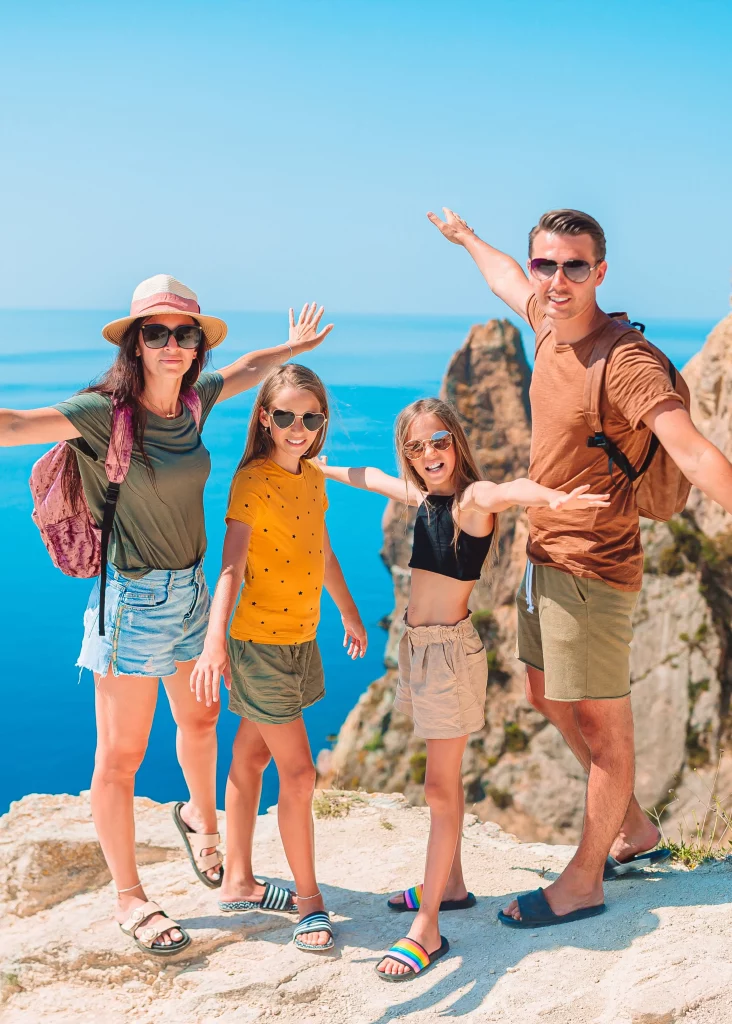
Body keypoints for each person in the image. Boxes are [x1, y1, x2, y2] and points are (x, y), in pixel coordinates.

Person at [0, 275, 333, 954]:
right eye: (157, 333)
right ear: (135, 342)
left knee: (202, 717)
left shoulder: (194, 401)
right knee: (121, 757)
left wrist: (291, 347)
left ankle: (199, 823)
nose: (173, 344)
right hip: (130, 598)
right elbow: (13, 426)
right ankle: (130, 898)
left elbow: (243, 371)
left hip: (192, 592)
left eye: (185, 333)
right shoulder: (102, 411)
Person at [429, 206, 732, 928]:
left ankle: (586, 880)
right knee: (545, 698)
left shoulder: (621, 359)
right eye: (546, 264)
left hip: (594, 571)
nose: (555, 279)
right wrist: (469, 239)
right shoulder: (546, 321)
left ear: (600, 272)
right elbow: (504, 280)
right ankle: (634, 831)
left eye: (573, 266)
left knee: (603, 733)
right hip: (544, 557)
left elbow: (690, 450)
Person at [318, 397, 609, 977]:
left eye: (439, 441)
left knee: (439, 789)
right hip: (420, 654)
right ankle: (448, 885)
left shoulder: (472, 500)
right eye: (417, 446)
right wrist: (312, 465)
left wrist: (551, 498)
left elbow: (508, 491)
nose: (430, 454)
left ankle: (428, 930)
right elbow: (371, 478)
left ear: (457, 443)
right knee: (437, 779)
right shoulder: (424, 497)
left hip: (449, 658)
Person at [191, 363, 367, 954]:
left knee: (250, 757)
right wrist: (215, 640)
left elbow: (322, 551)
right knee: (299, 774)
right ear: (265, 416)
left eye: (311, 417)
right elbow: (231, 567)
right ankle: (311, 904)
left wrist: (347, 610)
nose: (299, 427)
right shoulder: (252, 482)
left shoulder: (312, 479)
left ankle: (237, 881)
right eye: (286, 415)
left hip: (300, 639)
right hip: (257, 645)